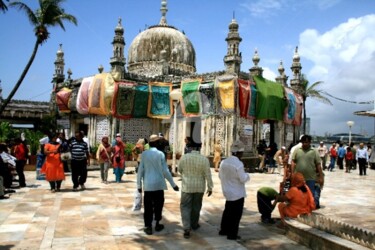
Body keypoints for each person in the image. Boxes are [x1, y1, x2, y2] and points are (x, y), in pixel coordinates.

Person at [137, 134, 179, 235]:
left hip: (148, 185)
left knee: (148, 207)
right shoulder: (160, 154)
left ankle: (148, 226)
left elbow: (140, 171)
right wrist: (173, 185)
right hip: (159, 185)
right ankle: (157, 224)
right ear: (157, 143)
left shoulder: (144, 154)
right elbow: (165, 171)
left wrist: (139, 185)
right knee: (158, 205)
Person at [178, 149, 213, 239]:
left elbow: (179, 170)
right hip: (199, 187)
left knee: (185, 207)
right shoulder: (204, 159)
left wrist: (186, 175)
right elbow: (208, 174)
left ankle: (186, 228)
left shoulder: (184, 158)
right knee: (196, 206)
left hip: (187, 187)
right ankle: (194, 224)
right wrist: (210, 187)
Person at [219, 140, 250, 240]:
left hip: (227, 192)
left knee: (228, 211)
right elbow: (243, 178)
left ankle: (223, 230)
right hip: (237, 194)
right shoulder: (239, 164)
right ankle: (232, 234)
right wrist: (248, 175)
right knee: (236, 215)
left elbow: (220, 176)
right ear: (240, 152)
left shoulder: (223, 162)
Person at [291, 134, 323, 208]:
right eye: (303, 142)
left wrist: (321, 177)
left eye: (306, 142)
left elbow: (318, 164)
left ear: (310, 142)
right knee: (298, 194)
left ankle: (307, 209)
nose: (305, 144)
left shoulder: (314, 151)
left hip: (310, 178)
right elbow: (293, 162)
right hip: (298, 178)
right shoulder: (297, 150)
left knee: (310, 195)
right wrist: (292, 173)